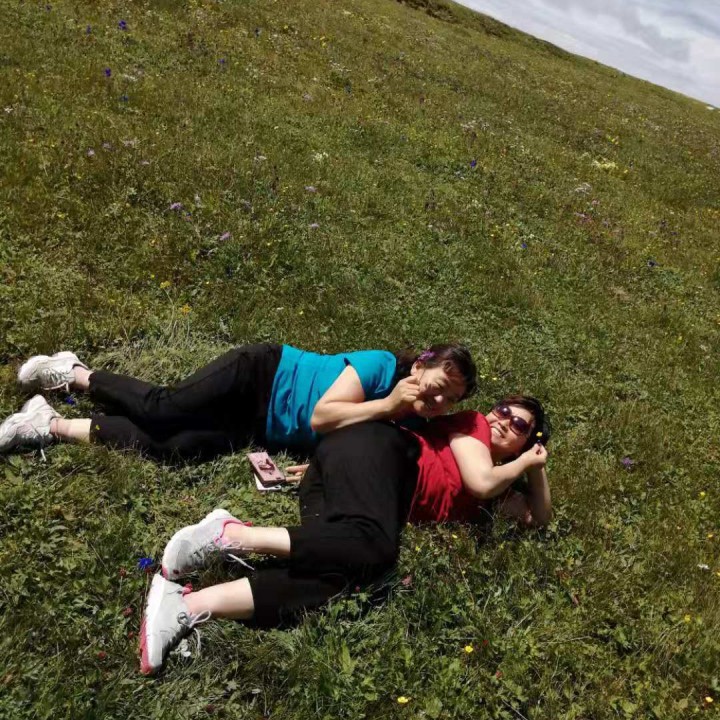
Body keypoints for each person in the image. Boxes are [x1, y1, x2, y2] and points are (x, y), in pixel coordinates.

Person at [140, 395, 551, 674]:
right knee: (376, 548)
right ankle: (231, 536)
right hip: (378, 449)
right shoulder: (472, 426)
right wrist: (522, 463)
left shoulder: (501, 489)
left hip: (341, 481)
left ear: (524, 444)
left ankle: (188, 605)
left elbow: (538, 518)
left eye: (517, 424)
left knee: (343, 575)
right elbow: (480, 481)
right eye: (502, 410)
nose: (502, 420)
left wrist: (536, 467)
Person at [0, 343, 476, 461]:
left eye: (449, 399)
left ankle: (50, 423)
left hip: (259, 425)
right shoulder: (380, 367)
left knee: (176, 446)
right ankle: (75, 373)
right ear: (420, 365)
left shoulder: (411, 425)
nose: (437, 399)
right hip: (261, 375)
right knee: (164, 409)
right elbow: (323, 416)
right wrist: (387, 406)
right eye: (439, 384)